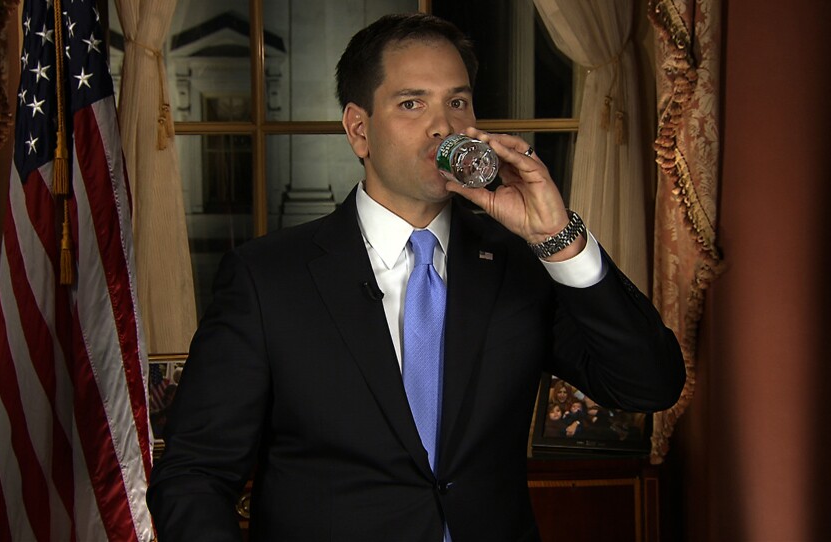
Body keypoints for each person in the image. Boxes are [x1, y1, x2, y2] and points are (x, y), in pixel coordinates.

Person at [147, 13, 685, 542]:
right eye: (412, 103)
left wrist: (560, 238)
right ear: (360, 129)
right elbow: (194, 476)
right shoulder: (268, 279)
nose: (444, 126)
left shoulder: (522, 264)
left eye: (458, 101)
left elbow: (648, 383)